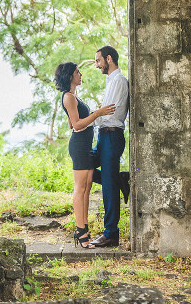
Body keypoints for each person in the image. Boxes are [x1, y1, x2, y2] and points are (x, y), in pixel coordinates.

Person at [53, 62, 115, 248]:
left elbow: (72, 124)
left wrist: (92, 115)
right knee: (80, 188)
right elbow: (78, 125)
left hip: (85, 145)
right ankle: (81, 232)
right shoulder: (68, 97)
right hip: (79, 146)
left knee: (87, 187)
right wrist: (97, 114)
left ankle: (84, 230)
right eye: (77, 72)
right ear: (70, 76)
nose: (80, 74)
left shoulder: (73, 97)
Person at [88, 45, 130, 249]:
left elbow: (110, 114)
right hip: (103, 137)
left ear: (109, 59)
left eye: (98, 61)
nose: (97, 65)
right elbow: (103, 113)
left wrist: (92, 117)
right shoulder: (111, 81)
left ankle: (111, 233)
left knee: (108, 187)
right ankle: (119, 179)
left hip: (112, 136)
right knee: (85, 167)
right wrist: (96, 116)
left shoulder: (119, 81)